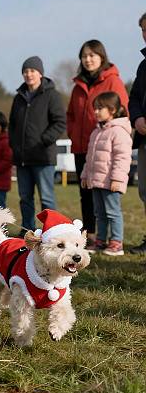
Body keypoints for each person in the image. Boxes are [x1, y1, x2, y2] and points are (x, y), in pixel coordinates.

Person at [67, 40, 128, 249]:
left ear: (102, 57)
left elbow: (123, 110)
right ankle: (92, 236)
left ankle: (114, 239)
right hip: (83, 146)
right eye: (84, 56)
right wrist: (74, 135)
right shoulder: (78, 86)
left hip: (107, 149)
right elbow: (71, 114)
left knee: (107, 201)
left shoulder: (113, 82)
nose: (88, 59)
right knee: (86, 196)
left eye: (92, 55)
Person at [9, 56, 66, 233]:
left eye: (32, 71)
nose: (29, 74)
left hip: (43, 157)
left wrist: (43, 141)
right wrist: (14, 145)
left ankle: (52, 231)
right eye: (25, 71)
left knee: (47, 198)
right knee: (25, 197)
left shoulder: (52, 95)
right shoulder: (18, 98)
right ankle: (27, 230)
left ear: (40, 73)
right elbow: (12, 125)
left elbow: (60, 123)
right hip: (23, 159)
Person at [81, 92, 132, 256]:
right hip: (96, 181)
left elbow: (122, 158)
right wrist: (84, 175)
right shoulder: (96, 132)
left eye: (100, 108)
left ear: (113, 109)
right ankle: (100, 241)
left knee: (112, 212)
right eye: (95, 108)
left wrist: (117, 178)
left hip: (110, 182)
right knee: (99, 213)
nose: (95, 111)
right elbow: (89, 158)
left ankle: (116, 243)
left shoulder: (119, 131)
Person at [129, 13, 146, 255]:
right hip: (144, 139)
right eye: (143, 30)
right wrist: (138, 117)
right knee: (144, 192)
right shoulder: (143, 66)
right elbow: (133, 97)